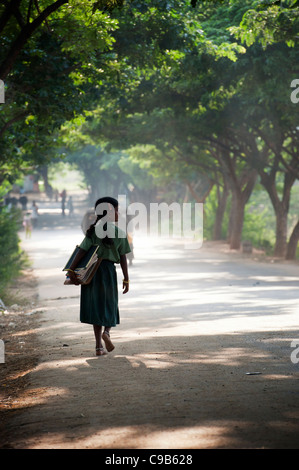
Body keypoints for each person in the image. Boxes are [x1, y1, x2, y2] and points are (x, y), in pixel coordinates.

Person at [65, 197, 131, 356]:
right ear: (110, 212)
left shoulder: (93, 231)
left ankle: (98, 347)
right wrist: (126, 279)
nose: (118, 212)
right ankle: (107, 333)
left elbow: (81, 251)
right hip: (108, 272)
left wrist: (71, 271)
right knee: (110, 304)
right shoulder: (120, 232)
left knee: (96, 307)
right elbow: (123, 258)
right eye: (116, 209)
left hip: (92, 273)